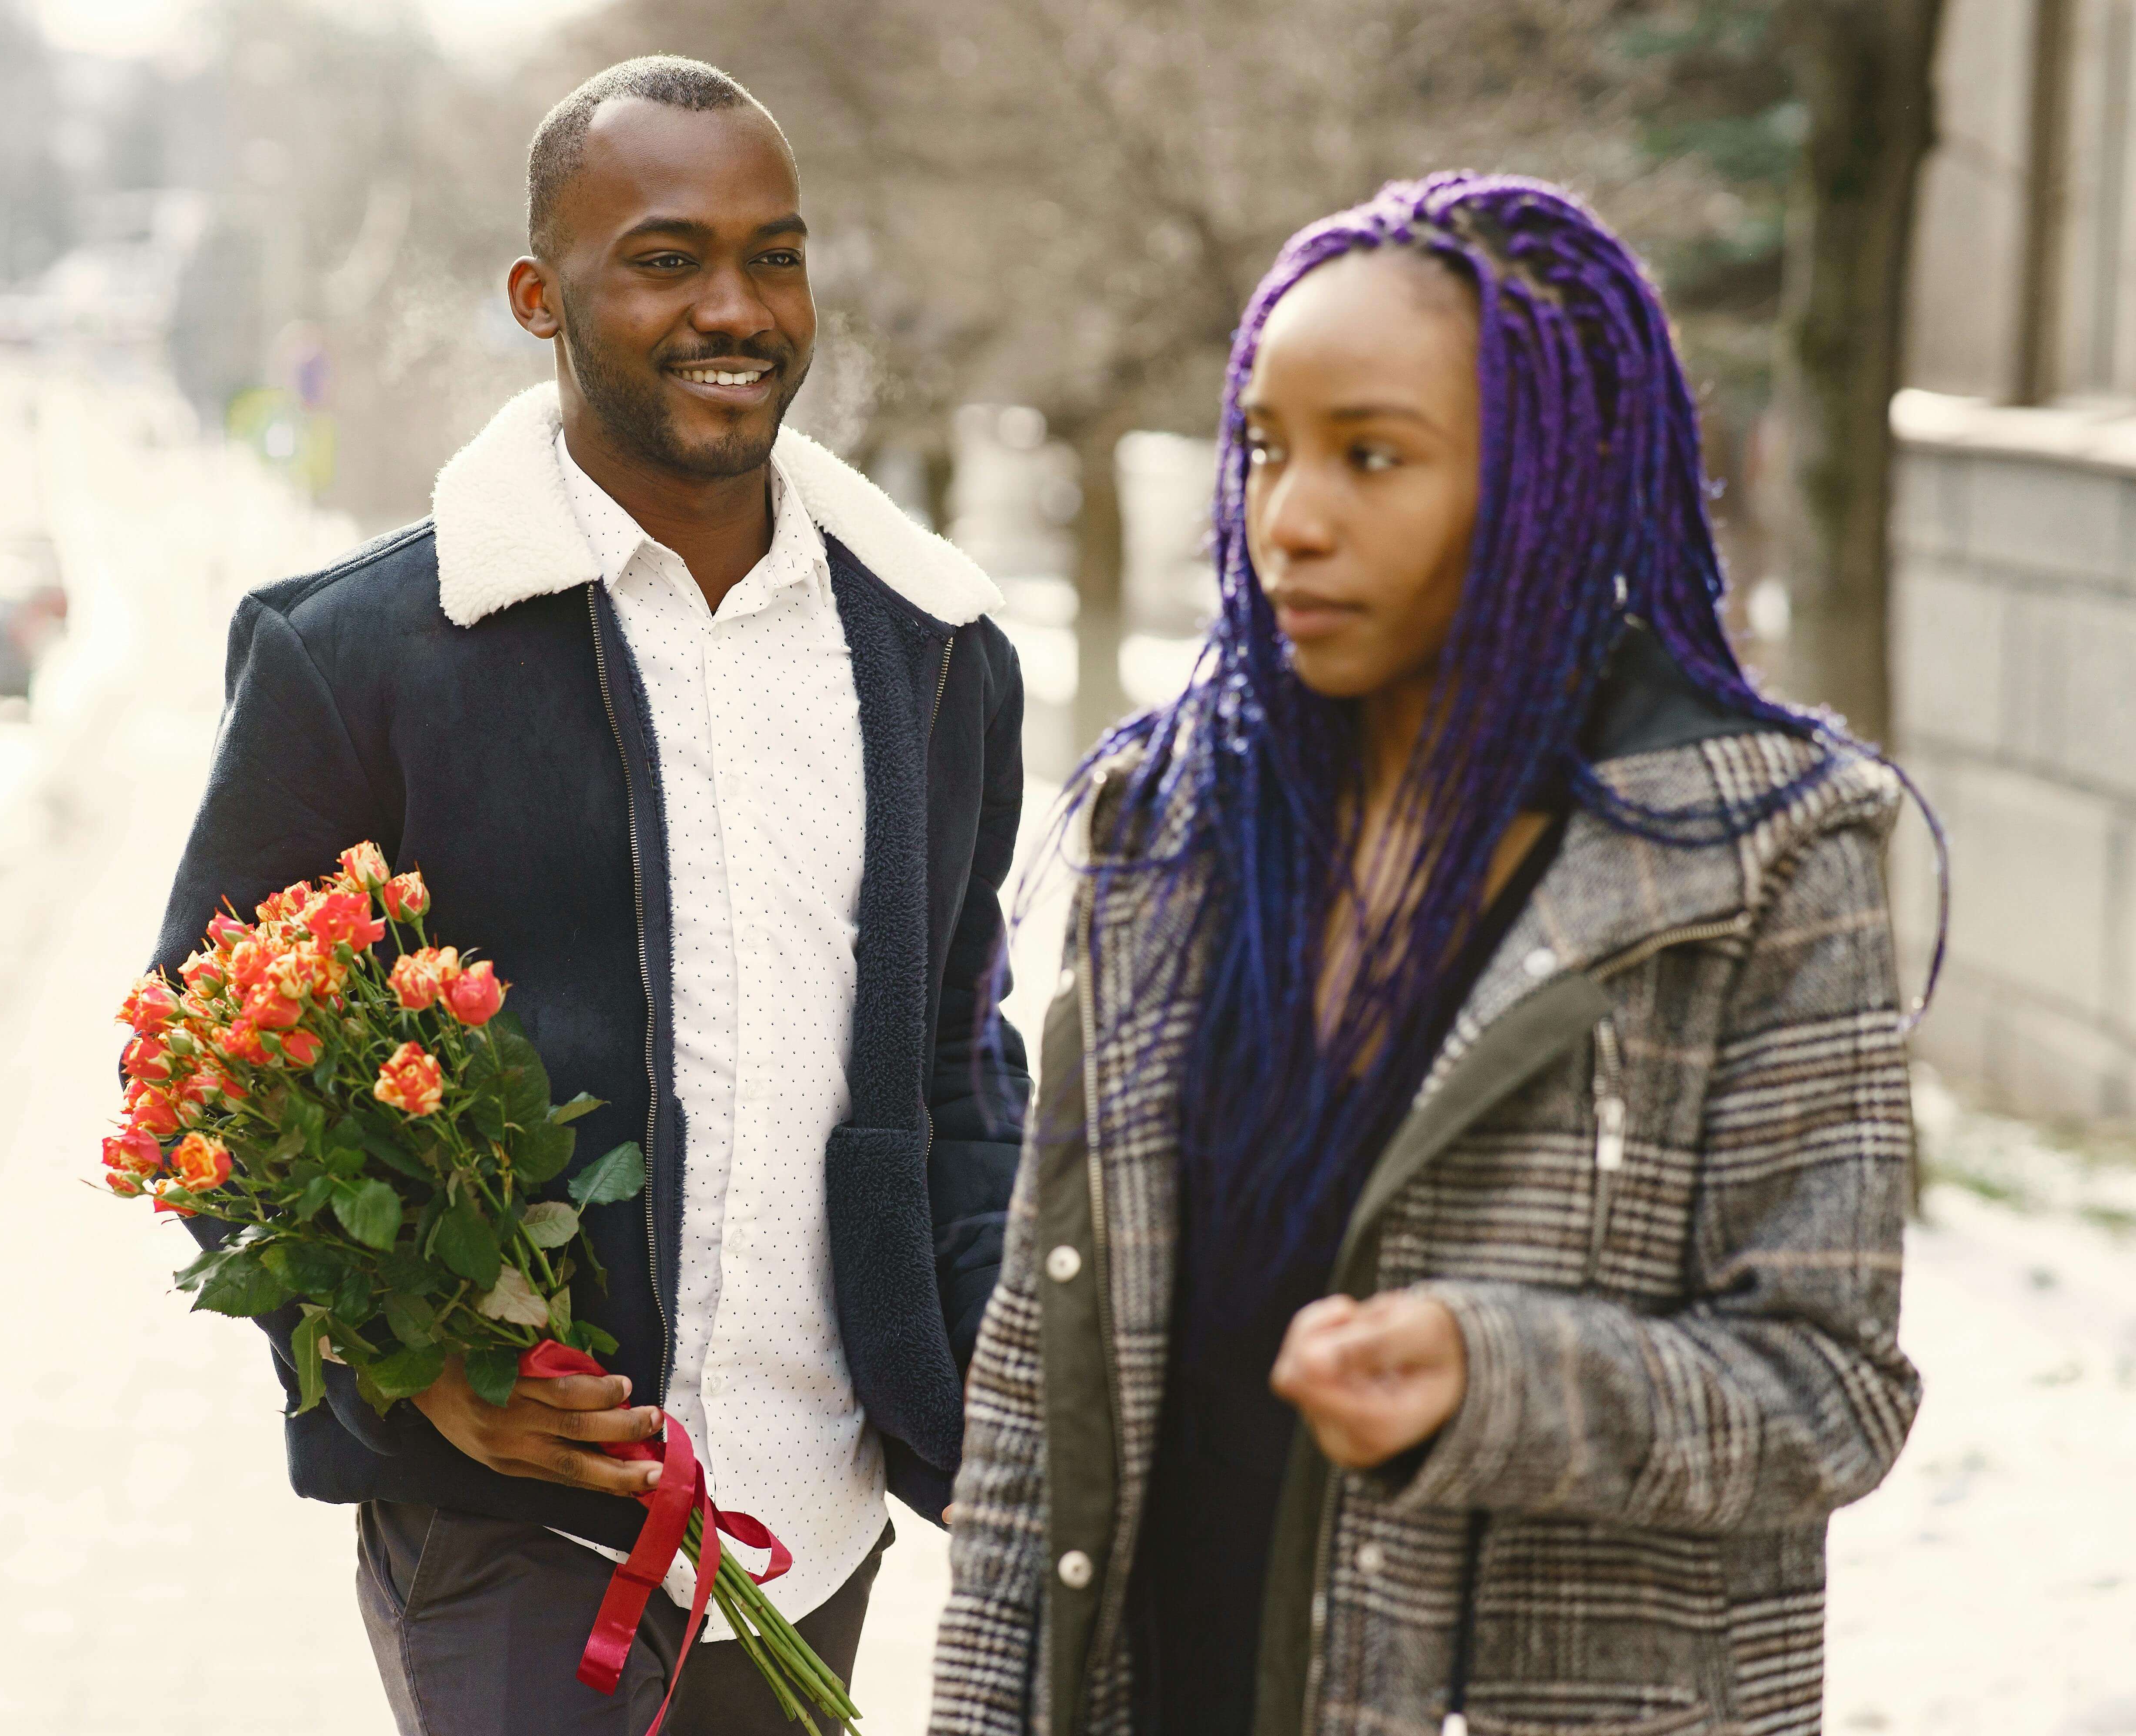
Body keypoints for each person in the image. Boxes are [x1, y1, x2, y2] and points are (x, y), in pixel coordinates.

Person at [930, 172, 1925, 1736]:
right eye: (1263, 447)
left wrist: (1490, 1375)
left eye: (1371, 456)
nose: (1289, 515)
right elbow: (1032, 1383)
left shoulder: (1767, 855)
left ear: (1551, 483)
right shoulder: (1172, 821)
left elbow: (1827, 1392)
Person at [146, 56, 1030, 1736]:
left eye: (776, 255)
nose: (736, 306)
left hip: (821, 1530)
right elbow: (199, 1078)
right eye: (667, 256)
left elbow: (957, 1062)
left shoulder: (934, 654)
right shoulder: (362, 659)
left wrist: (999, 1379)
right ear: (540, 297)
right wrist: (418, 1373)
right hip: (518, 1536)